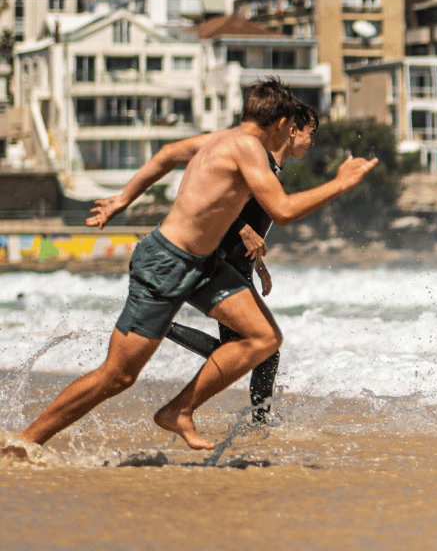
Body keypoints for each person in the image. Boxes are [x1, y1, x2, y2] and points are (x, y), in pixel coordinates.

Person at [13, 80, 376, 452]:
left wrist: (125, 198)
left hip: (203, 265)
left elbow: (168, 153)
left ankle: (179, 410)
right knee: (118, 376)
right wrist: (340, 184)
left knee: (264, 338)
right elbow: (282, 211)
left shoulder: (220, 139)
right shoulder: (247, 147)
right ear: (282, 123)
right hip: (166, 262)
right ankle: (26, 440)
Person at [88, 101, 321, 423]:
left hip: (236, 265)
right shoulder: (257, 160)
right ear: (292, 130)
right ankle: (260, 420)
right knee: (261, 349)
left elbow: (249, 222)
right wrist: (242, 228)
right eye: (311, 134)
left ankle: (257, 416)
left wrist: (258, 263)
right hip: (214, 262)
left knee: (249, 349)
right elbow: (213, 198)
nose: (312, 143)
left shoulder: (272, 171)